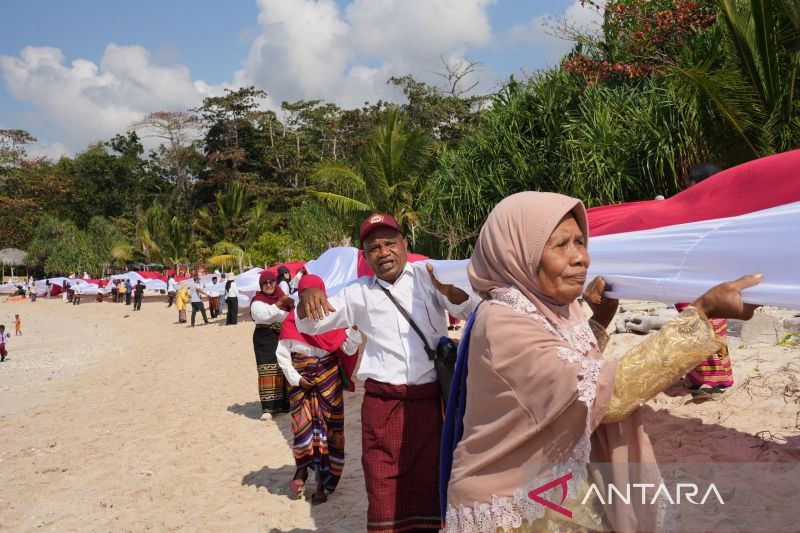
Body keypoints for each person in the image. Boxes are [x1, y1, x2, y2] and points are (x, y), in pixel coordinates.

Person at [440, 191, 760, 532]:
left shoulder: (552, 309)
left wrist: (597, 322)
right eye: (561, 245)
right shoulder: (502, 321)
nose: (581, 258)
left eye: (581, 242)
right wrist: (701, 314)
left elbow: (568, 369)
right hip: (513, 502)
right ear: (518, 255)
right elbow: (604, 396)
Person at [296, 213, 477, 532]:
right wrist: (307, 294)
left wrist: (450, 292)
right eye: (374, 247)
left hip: (431, 403)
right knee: (382, 484)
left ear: (404, 244)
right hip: (382, 406)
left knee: (432, 482)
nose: (383, 252)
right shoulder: (357, 293)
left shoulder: (428, 276)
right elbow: (310, 324)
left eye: (390, 243)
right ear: (365, 255)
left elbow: (471, 310)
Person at [276, 275, 363, 505]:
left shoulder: (333, 319)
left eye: (318, 295)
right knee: (303, 429)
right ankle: (302, 470)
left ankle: (322, 482)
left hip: (328, 380)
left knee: (328, 431)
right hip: (300, 382)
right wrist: (296, 379)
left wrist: (354, 331)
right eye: (308, 295)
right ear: (301, 296)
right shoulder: (291, 321)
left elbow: (348, 347)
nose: (314, 301)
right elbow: (283, 355)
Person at [251, 270, 294, 420]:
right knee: (266, 370)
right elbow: (262, 316)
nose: (269, 285)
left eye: (271, 282)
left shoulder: (282, 297)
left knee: (282, 367)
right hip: (264, 339)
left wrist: (284, 304)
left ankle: (283, 405)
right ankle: (268, 408)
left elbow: (289, 315)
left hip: (281, 337)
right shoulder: (257, 300)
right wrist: (278, 305)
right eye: (265, 283)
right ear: (261, 284)